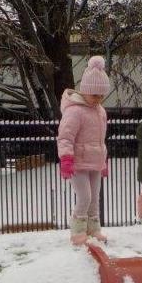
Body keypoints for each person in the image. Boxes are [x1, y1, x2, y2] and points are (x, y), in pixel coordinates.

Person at [57, 55, 112, 245]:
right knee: (84, 197)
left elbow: (100, 140)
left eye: (101, 95)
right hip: (78, 162)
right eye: (95, 95)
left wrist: (102, 161)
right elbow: (65, 137)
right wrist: (66, 159)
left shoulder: (100, 111)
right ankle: (78, 231)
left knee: (94, 198)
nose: (98, 99)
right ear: (86, 90)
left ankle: (93, 229)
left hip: (94, 162)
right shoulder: (75, 111)